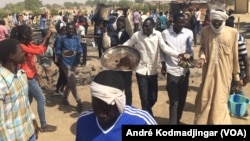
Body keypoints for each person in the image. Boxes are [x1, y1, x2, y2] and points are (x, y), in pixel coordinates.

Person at [122, 17, 184, 116]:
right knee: (144, 97)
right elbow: (127, 45)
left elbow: (165, 48)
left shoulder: (158, 35)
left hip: (153, 71)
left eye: (147, 27)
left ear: (153, 26)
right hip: (140, 70)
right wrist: (118, 51)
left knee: (153, 97)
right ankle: (148, 118)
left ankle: (145, 110)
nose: (144, 29)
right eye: (143, 26)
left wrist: (177, 54)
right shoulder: (137, 35)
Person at [75, 70, 157, 141]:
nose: (101, 114)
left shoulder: (141, 122)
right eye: (96, 107)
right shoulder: (83, 121)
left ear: (120, 102)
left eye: (106, 108)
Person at [194, 9, 241, 124]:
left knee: (220, 102)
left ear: (223, 20)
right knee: (205, 99)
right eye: (214, 20)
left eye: (219, 21)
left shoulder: (233, 33)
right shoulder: (205, 31)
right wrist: (202, 57)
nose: (216, 23)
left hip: (224, 74)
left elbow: (235, 56)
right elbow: (203, 48)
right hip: (208, 73)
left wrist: (236, 78)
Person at [10, 24, 57, 131]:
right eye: (30, 34)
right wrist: (46, 38)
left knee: (27, 101)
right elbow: (38, 51)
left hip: (31, 75)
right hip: (28, 77)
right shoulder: (21, 46)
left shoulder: (27, 44)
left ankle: (21, 120)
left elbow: (41, 49)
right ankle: (44, 125)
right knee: (41, 99)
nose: (32, 35)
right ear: (24, 35)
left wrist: (48, 38)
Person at [0, 39, 39, 141]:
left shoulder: (21, 74)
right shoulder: (1, 82)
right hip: (14, 137)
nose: (24, 54)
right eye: (21, 52)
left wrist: (33, 120)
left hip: (29, 133)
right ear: (11, 56)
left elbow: (25, 102)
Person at [161, 13, 194, 125]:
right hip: (172, 71)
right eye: (179, 22)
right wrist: (163, 64)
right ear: (173, 21)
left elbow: (190, 49)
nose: (181, 24)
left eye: (183, 22)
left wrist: (190, 59)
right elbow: (162, 51)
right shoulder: (165, 34)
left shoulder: (189, 33)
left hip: (184, 71)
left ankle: (177, 120)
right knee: (174, 101)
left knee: (182, 100)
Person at [102, 12, 132, 105]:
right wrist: (105, 32)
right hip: (115, 65)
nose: (120, 24)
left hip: (127, 65)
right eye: (118, 22)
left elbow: (130, 27)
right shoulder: (112, 34)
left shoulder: (129, 33)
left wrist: (126, 17)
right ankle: (117, 105)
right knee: (116, 86)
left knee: (127, 87)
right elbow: (106, 45)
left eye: (122, 22)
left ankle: (128, 106)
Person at [55, 23, 84, 112]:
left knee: (70, 82)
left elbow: (80, 48)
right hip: (65, 63)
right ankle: (79, 101)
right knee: (73, 82)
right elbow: (58, 50)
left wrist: (79, 52)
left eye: (72, 29)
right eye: (69, 29)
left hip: (74, 62)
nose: (70, 30)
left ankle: (64, 98)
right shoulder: (61, 38)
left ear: (74, 29)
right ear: (66, 30)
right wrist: (64, 54)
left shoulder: (76, 38)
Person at [226, 16, 250, 120]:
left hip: (239, 69)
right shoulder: (232, 37)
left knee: (237, 88)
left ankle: (244, 112)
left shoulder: (238, 40)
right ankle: (231, 109)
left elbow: (245, 59)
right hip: (229, 68)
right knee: (231, 89)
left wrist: (248, 75)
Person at [54, 26, 67, 95]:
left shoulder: (67, 38)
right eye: (63, 31)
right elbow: (57, 50)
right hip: (61, 60)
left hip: (66, 60)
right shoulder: (59, 38)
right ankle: (58, 89)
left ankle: (61, 89)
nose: (65, 32)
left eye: (65, 30)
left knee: (65, 75)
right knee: (63, 75)